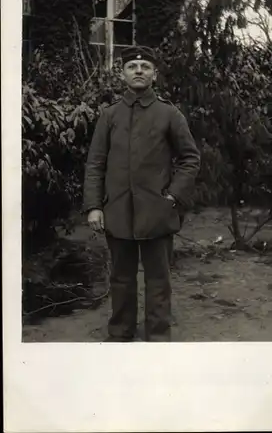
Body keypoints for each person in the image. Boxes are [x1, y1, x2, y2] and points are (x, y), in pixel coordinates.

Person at [83, 46, 200, 342]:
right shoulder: (109, 115)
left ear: (155, 75)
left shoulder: (169, 113)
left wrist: (172, 196)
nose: (138, 71)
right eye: (132, 66)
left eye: (145, 66)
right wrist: (94, 206)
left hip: (157, 212)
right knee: (121, 278)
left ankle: (158, 337)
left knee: (158, 279)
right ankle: (121, 333)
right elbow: (96, 162)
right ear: (122, 74)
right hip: (118, 211)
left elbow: (190, 158)